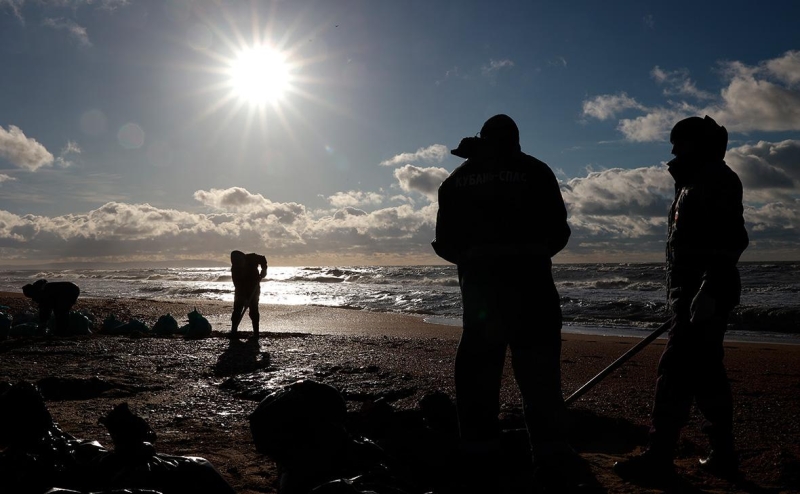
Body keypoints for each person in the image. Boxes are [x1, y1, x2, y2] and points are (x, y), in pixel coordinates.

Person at [432, 114, 576, 489]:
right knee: (541, 381)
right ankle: (551, 462)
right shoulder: (536, 171)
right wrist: (530, 255)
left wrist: (475, 262)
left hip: (481, 300)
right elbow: (559, 231)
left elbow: (444, 243)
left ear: (482, 139)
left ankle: (480, 460)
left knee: (477, 380)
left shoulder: (456, 181)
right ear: (515, 140)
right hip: (534, 295)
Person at [614, 115, 749, 482]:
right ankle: (723, 454)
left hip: (703, 295)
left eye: (679, 143)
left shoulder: (715, 179)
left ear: (696, 144)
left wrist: (708, 289)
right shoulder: (692, 182)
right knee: (707, 374)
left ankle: (659, 457)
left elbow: (731, 240)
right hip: (692, 295)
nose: (672, 150)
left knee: (674, 372)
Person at [230, 250, 268, 338]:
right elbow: (238, 286)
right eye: (236, 263)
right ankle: (233, 330)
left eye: (240, 261)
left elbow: (263, 259)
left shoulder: (252, 257)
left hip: (254, 288)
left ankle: (256, 333)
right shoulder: (235, 270)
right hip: (241, 291)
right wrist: (244, 299)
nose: (239, 264)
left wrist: (264, 269)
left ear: (244, 258)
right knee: (237, 310)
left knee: (254, 311)